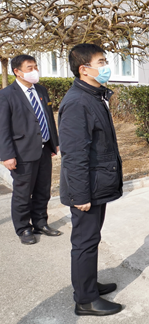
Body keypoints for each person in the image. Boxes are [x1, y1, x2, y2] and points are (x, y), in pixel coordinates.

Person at [58, 44, 123, 316]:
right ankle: (85, 300)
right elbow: (74, 155)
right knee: (84, 242)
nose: (106, 66)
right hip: (87, 188)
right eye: (101, 62)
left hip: (97, 183)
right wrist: (80, 195)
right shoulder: (78, 102)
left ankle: (89, 284)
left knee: (91, 239)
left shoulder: (93, 95)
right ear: (84, 69)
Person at [0, 55, 60, 245]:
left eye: (36, 67)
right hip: (22, 152)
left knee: (43, 189)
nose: (34, 71)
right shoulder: (6, 95)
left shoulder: (41, 90)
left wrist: (54, 142)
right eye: (29, 68)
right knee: (23, 193)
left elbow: (48, 118)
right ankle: (23, 228)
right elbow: (3, 127)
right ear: (17, 71)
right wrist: (7, 155)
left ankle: (40, 223)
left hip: (43, 149)